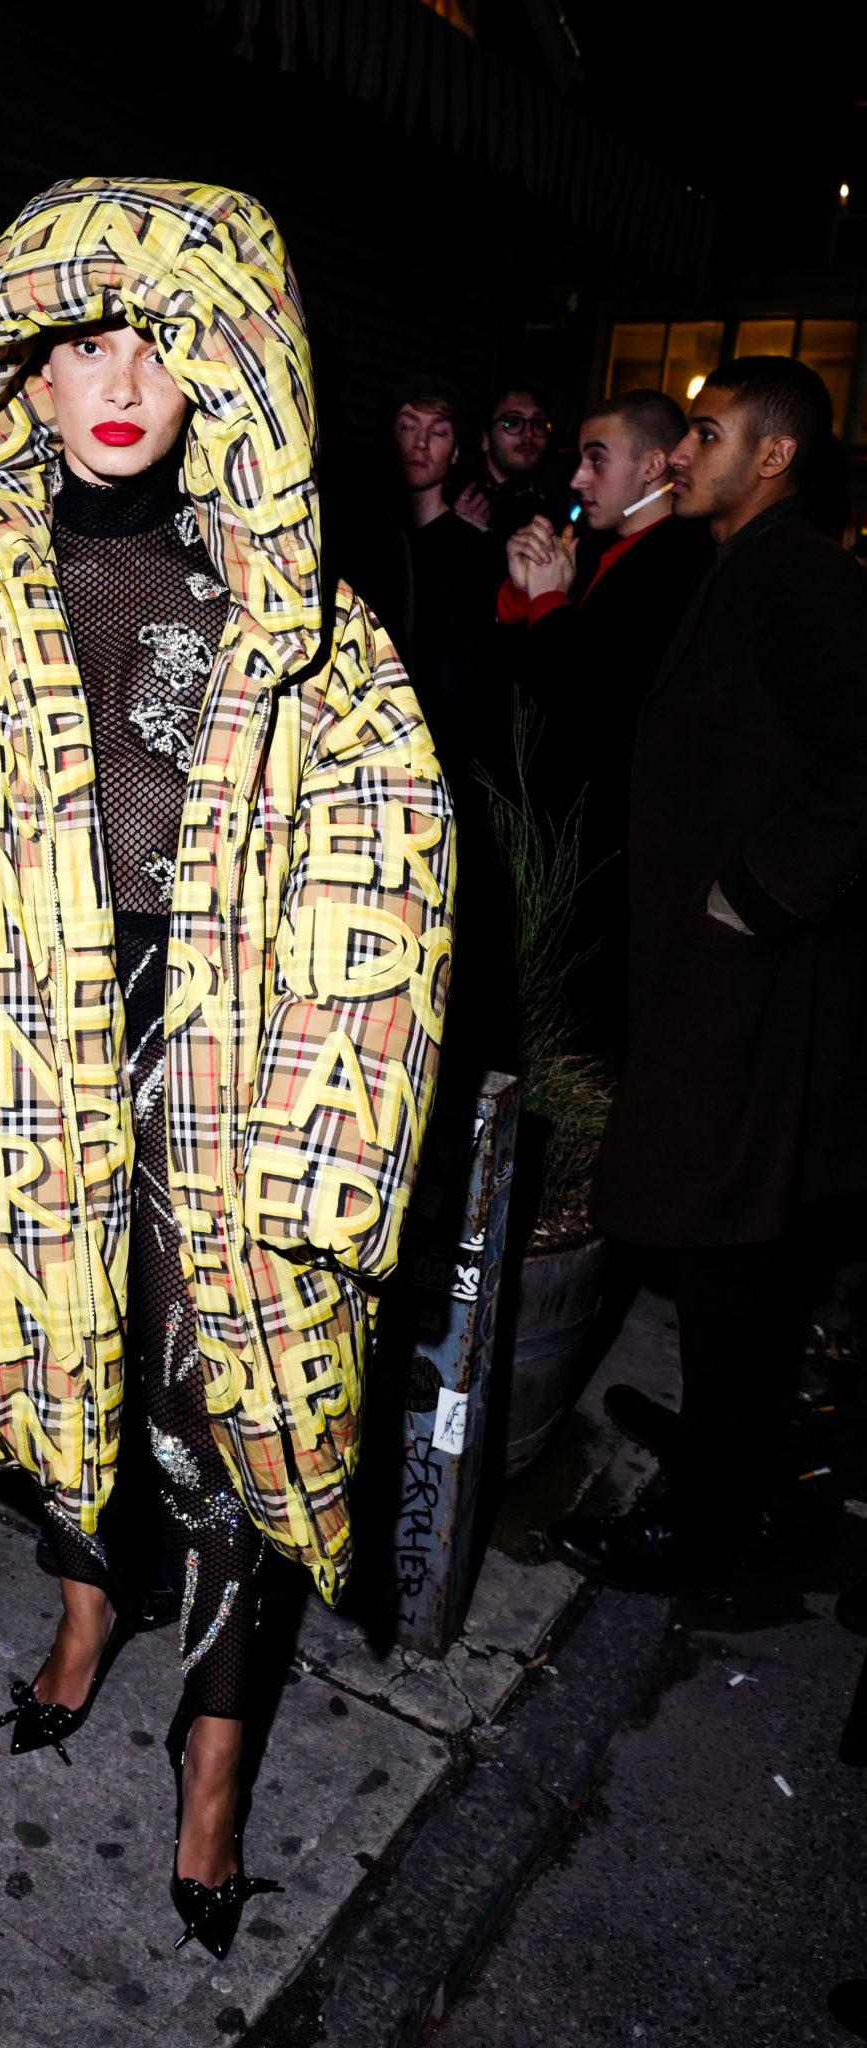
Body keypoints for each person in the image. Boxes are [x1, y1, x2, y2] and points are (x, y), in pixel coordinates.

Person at [0, 176, 455, 1956]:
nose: (120, 382)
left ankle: (214, 1757)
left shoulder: (298, 618)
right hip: (12, 1061)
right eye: (85, 340)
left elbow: (395, 871)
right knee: (51, 1367)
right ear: (23, 363)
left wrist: (336, 1125)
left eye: (164, 346)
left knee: (230, 1409)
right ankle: (86, 1605)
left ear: (223, 374)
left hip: (225, 1069)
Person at [547, 356, 867, 1594]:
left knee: (731, 1252)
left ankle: (701, 1522)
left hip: (753, 988)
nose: (681, 453)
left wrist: (758, 894)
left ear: (774, 455)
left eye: (708, 433)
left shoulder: (804, 576)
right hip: (713, 975)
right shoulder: (744, 565)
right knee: (722, 1250)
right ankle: (717, 1435)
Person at [495, 389, 714, 1057]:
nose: (576, 478)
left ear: (652, 467)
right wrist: (521, 593)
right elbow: (522, 690)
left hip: (610, 857)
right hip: (553, 841)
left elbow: (593, 706)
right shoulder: (593, 549)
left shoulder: (680, 563)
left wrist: (549, 603)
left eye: (596, 459)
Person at [391, 377, 505, 779]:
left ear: (456, 451)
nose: (421, 443)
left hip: (445, 755)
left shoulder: (482, 550)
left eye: (438, 432)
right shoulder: (367, 539)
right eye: (408, 426)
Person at [456, 380, 556, 536]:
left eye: (539, 424)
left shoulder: (556, 512)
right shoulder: (451, 498)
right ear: (485, 438)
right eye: (513, 422)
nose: (528, 434)